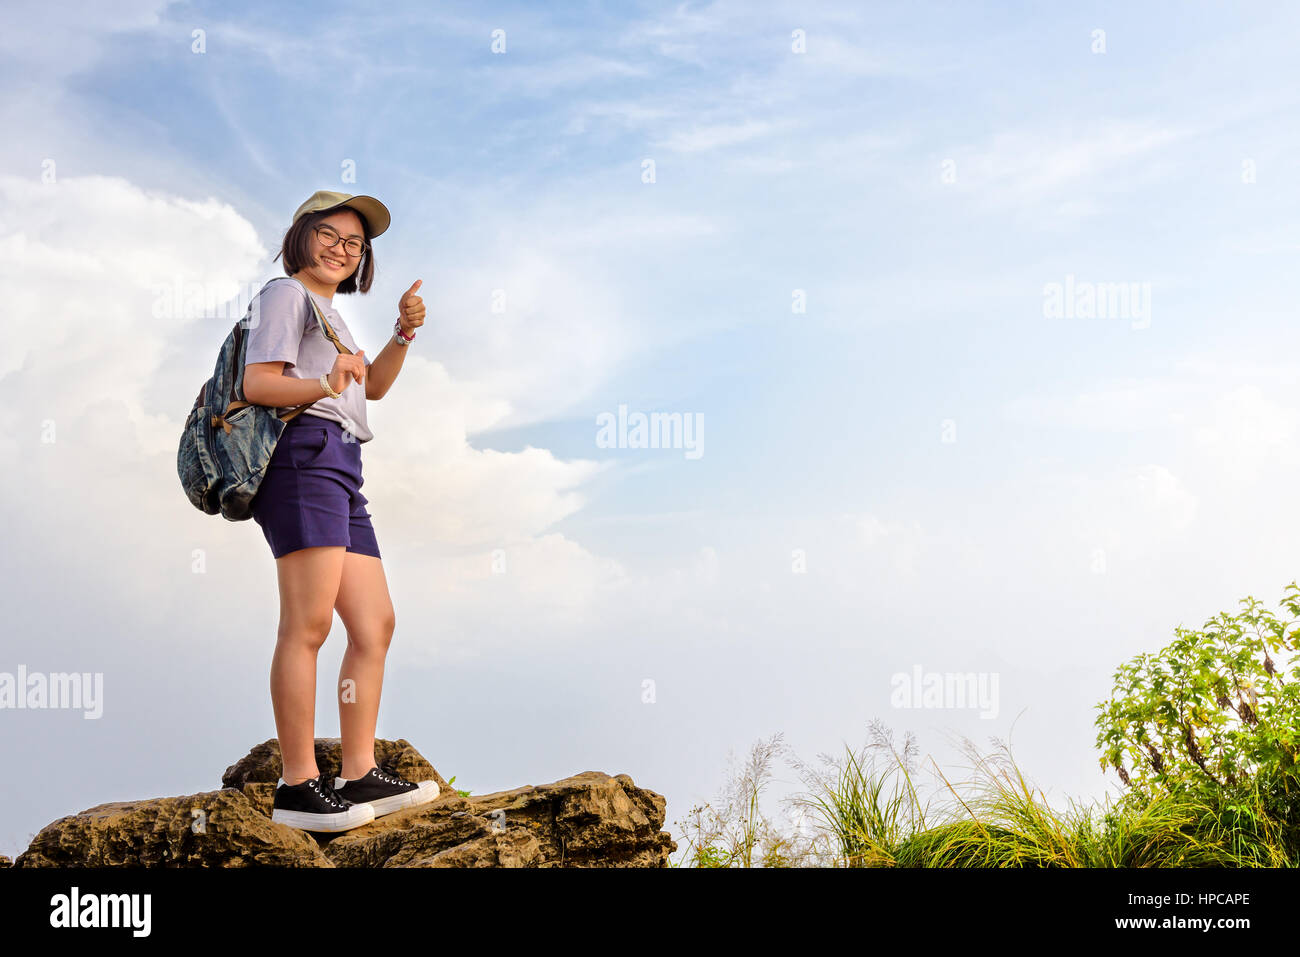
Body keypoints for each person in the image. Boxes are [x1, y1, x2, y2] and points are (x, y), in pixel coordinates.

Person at [242, 190, 436, 833]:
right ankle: (296, 785)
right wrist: (326, 383)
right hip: (303, 454)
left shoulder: (330, 316)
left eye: (354, 244)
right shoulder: (283, 295)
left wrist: (403, 332)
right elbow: (258, 384)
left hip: (343, 461)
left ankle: (358, 772)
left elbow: (371, 386)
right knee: (308, 624)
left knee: (374, 623)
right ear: (301, 235)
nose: (341, 249)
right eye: (328, 234)